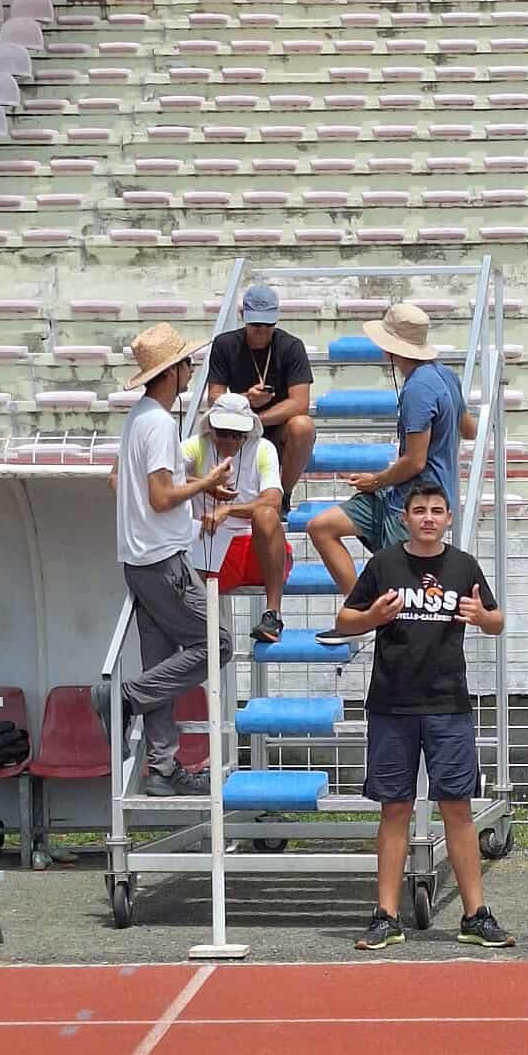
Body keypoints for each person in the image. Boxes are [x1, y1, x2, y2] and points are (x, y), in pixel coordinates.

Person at [333, 479, 514, 951]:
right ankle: (385, 916)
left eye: (436, 510)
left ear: (448, 518)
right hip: (392, 704)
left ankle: (476, 915)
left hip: (447, 704)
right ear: (405, 518)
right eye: (419, 510)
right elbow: (344, 620)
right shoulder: (384, 563)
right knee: (394, 809)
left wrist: (483, 617)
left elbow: (496, 620)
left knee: (457, 807)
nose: (428, 518)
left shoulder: (463, 565)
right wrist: (372, 617)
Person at [92, 323, 237, 798]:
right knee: (217, 644)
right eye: (187, 363)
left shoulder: (138, 418)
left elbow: (120, 481)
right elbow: (158, 497)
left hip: (141, 560)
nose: (192, 370)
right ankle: (123, 698)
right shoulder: (157, 423)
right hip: (162, 561)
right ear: (172, 371)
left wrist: (194, 489)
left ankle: (162, 766)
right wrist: (204, 483)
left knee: (159, 664)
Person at [308, 301, 475, 641]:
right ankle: (363, 614)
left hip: (411, 501)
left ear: (390, 347)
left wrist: (376, 480)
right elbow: (469, 429)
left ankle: (372, 621)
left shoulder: (418, 390)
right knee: (321, 526)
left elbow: (415, 461)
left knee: (405, 597)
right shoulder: (446, 375)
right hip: (399, 493)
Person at [182, 389, 291, 645]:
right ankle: (199, 635)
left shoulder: (263, 448)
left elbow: (274, 500)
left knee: (266, 515)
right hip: (210, 546)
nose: (230, 441)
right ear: (211, 428)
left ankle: (272, 614)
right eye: (224, 433)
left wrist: (228, 509)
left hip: (255, 548)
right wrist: (204, 485)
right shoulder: (197, 445)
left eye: (237, 434)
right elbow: (162, 479)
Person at [205, 281, 316, 502]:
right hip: (237, 423)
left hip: (276, 425)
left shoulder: (291, 346)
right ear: (243, 316)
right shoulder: (224, 344)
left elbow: (300, 403)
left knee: (303, 426)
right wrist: (245, 399)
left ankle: (281, 496)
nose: (262, 330)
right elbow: (214, 398)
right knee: (210, 425)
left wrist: (257, 420)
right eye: (256, 324)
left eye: (268, 324)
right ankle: (223, 491)